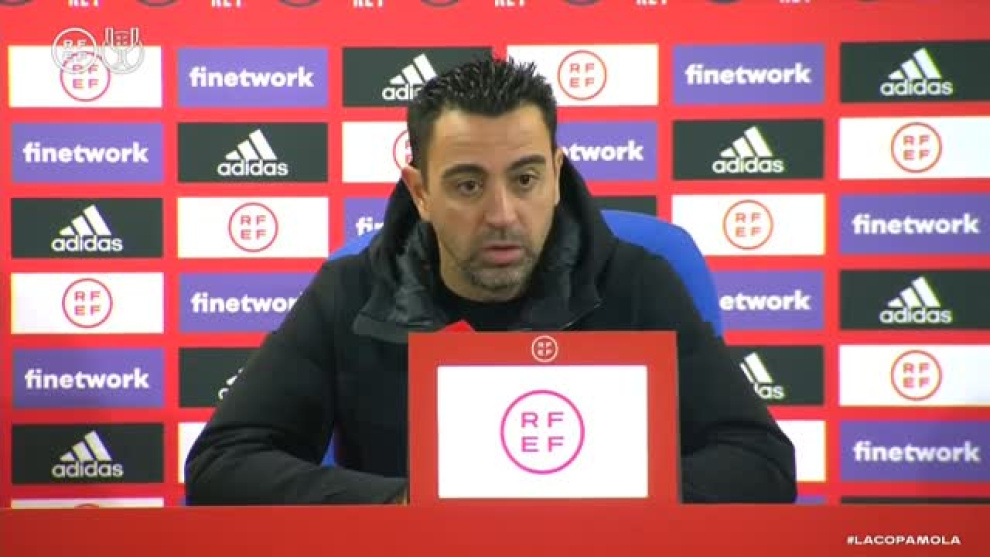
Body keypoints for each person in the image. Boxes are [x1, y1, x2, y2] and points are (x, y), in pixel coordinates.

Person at [184, 56, 797, 506]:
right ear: (420, 192)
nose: (502, 214)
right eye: (468, 184)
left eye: (525, 179)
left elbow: (761, 462)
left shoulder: (638, 281)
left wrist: (602, 496)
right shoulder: (353, 291)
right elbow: (221, 464)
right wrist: (404, 505)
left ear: (556, 175)